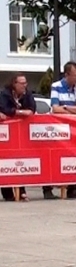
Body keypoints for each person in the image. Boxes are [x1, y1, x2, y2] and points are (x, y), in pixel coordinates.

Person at [50, 62, 76, 199]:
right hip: (58, 128)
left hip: (74, 129)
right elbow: (55, 109)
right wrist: (71, 109)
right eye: (75, 75)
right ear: (66, 75)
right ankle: (47, 189)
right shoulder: (56, 87)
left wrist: (64, 107)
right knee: (53, 157)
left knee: (74, 156)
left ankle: (73, 189)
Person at [0, 73, 36, 201]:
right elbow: (4, 109)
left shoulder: (28, 94)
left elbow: (32, 109)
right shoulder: (5, 93)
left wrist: (16, 112)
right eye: (21, 83)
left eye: (25, 83)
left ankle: (21, 191)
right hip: (4, 135)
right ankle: (7, 193)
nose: (24, 86)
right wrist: (20, 112)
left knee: (20, 161)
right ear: (14, 84)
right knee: (5, 162)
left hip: (20, 135)